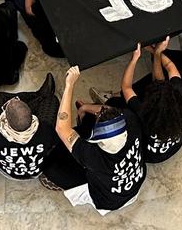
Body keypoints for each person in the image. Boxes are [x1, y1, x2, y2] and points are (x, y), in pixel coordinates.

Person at [50, 65, 147, 213]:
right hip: (134, 184)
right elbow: (111, 111)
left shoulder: (94, 157)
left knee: (52, 167)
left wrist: (69, 85)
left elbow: (62, 129)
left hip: (109, 200)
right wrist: (85, 108)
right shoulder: (131, 121)